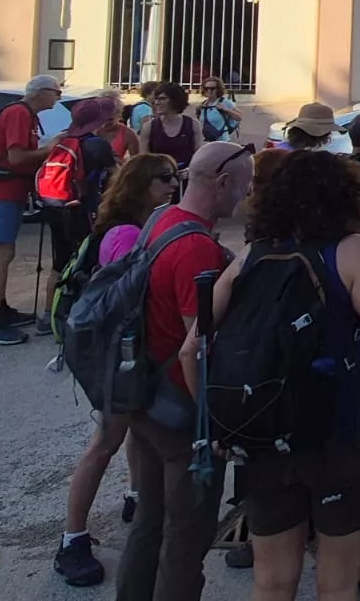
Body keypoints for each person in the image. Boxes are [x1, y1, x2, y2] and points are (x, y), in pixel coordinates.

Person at [190, 152, 360, 601]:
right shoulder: (352, 250)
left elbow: (190, 347)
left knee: (272, 578)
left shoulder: (252, 254)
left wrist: (213, 420)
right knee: (338, 580)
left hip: (266, 432)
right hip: (342, 432)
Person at [114, 140, 253, 601]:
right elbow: (198, 348)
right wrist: (212, 422)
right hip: (183, 414)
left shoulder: (160, 220)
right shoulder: (197, 249)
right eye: (245, 186)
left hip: (147, 399)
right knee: (185, 540)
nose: (246, 197)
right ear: (222, 183)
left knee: (149, 522)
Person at [53, 153, 181, 587]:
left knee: (138, 430)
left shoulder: (139, 226)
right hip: (116, 355)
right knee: (106, 440)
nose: (172, 184)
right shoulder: (125, 234)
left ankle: (135, 494)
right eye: (165, 179)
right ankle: (72, 539)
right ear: (142, 185)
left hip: (133, 354)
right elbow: (138, 294)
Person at [0, 74, 62, 346]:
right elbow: (17, 156)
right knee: (2, 253)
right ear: (41, 92)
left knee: (5, 252)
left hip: (7, 191)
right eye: (56, 92)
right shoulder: (19, 114)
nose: (58, 97)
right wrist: (50, 149)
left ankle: (1, 309)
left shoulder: (27, 115)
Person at [37, 96, 122, 334]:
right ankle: (83, 316)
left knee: (59, 263)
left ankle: (48, 315)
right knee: (88, 261)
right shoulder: (98, 145)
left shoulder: (62, 139)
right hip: (82, 210)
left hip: (55, 207)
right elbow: (118, 178)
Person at [138, 83, 202, 169]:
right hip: (158, 177)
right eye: (156, 99)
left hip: (186, 176)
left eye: (162, 99)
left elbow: (198, 156)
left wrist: (189, 170)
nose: (157, 103)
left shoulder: (193, 125)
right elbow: (143, 159)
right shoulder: (149, 127)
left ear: (175, 100)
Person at [194, 77, 241, 143]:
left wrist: (226, 109)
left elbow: (239, 117)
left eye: (212, 88)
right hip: (208, 142)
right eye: (206, 88)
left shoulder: (224, 101)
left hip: (223, 141)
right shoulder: (204, 104)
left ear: (218, 89)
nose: (209, 91)